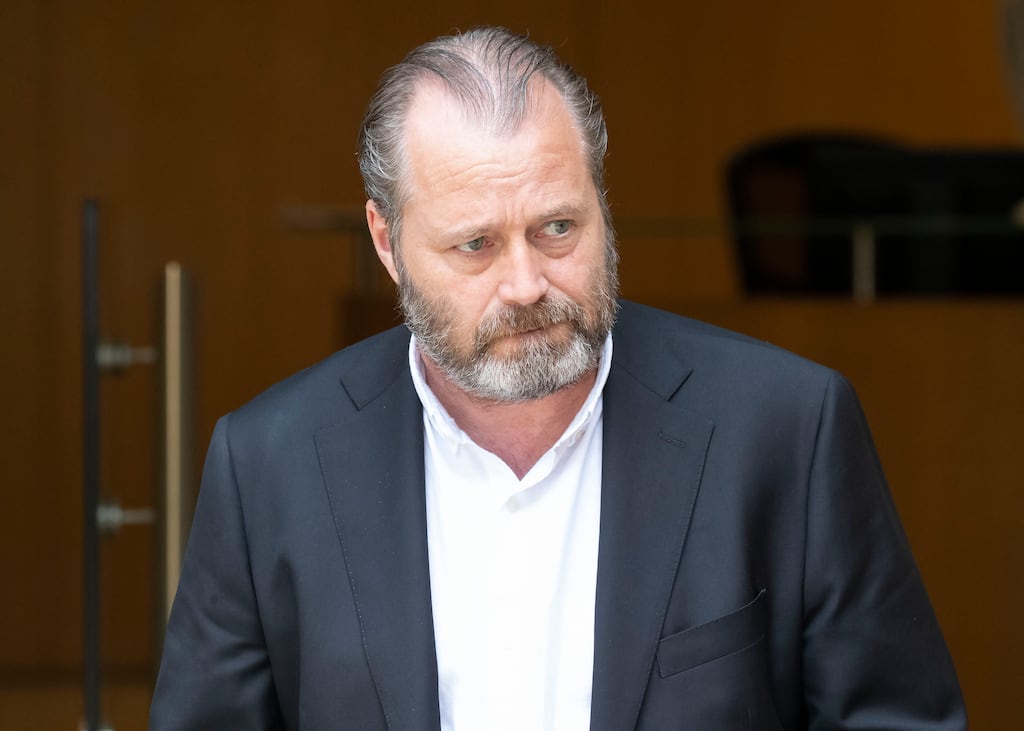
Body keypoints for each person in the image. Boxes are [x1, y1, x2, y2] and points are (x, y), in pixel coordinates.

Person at [150, 26, 966, 730]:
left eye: (557, 228)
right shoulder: (268, 465)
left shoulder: (789, 428)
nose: (526, 283)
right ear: (387, 241)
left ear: (601, 202)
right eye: (475, 244)